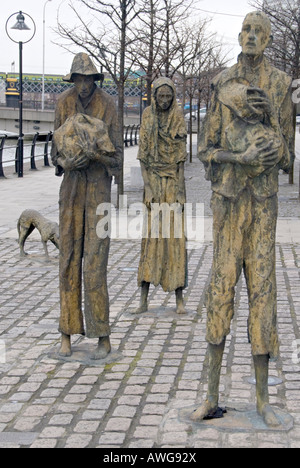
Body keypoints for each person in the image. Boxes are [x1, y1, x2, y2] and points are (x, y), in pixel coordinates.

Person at [192, 11, 294, 427]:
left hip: (263, 206)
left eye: (259, 32)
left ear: (268, 40)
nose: (252, 36)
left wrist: (271, 119)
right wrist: (241, 157)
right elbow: (205, 150)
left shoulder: (282, 85)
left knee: (263, 294)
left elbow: (288, 155)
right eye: (247, 30)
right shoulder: (222, 84)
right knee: (220, 290)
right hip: (228, 202)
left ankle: (262, 400)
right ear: (239, 35)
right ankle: (211, 395)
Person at [51, 53, 123, 359]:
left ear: (95, 80)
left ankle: (101, 333)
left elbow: (117, 158)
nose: (82, 86)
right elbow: (54, 153)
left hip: (98, 196)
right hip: (70, 194)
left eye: (87, 79)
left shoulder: (108, 105)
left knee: (95, 264)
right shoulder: (62, 103)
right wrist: (66, 161)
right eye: (78, 79)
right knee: (68, 260)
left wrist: (94, 156)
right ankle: (67, 331)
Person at [136, 77, 188, 315]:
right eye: (161, 96)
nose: (165, 101)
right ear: (154, 96)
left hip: (172, 183)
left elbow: (180, 159)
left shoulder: (178, 115)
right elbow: (143, 156)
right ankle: (143, 299)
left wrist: (180, 191)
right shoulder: (148, 115)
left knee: (175, 238)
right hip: (154, 182)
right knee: (151, 238)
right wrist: (147, 187)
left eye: (169, 96)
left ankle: (179, 297)